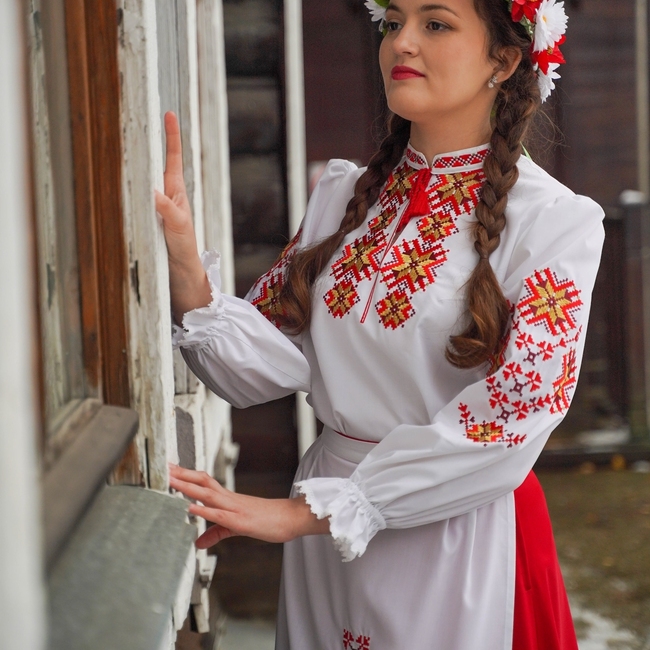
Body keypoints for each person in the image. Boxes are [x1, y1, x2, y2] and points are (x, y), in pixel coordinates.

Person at [155, 0, 604, 647]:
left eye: (435, 24)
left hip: (454, 534)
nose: (402, 43)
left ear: (505, 60)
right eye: (393, 23)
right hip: (323, 534)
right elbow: (262, 365)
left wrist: (311, 513)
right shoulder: (344, 196)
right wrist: (185, 268)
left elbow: (517, 413)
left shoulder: (553, 223)